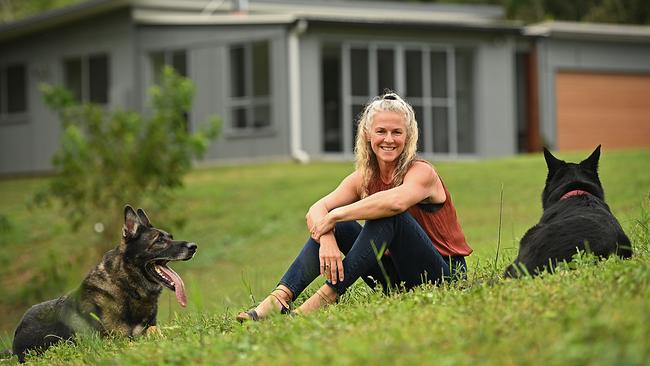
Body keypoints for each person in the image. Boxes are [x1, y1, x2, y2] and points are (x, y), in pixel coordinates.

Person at [236, 92, 472, 321]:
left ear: (408, 136)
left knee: (391, 216)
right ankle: (278, 299)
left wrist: (333, 217)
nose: (388, 139)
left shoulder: (422, 172)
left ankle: (326, 296)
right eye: (381, 131)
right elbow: (316, 209)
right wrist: (328, 235)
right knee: (342, 227)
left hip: (443, 275)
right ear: (368, 134)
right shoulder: (365, 177)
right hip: (395, 280)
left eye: (396, 132)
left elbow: (396, 202)